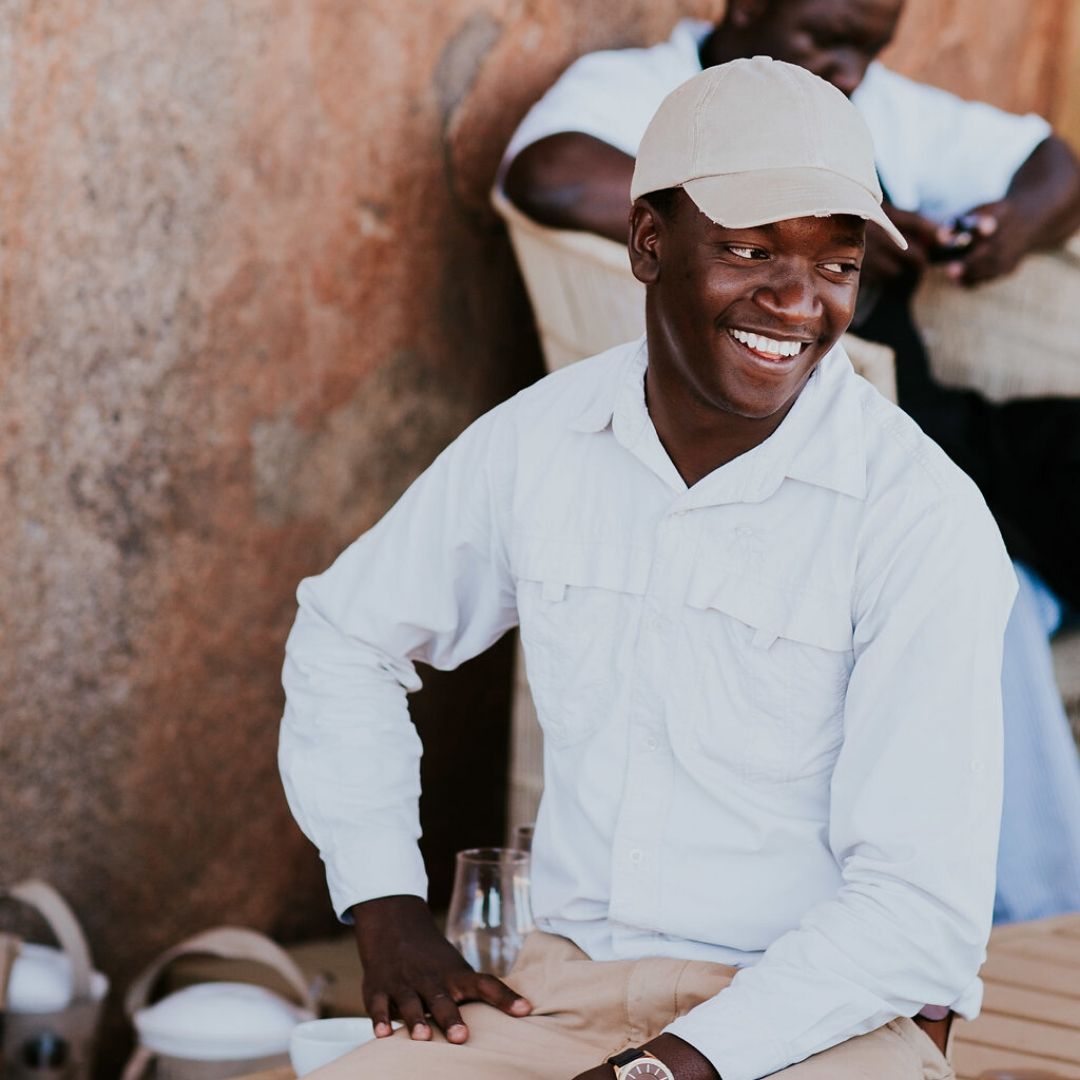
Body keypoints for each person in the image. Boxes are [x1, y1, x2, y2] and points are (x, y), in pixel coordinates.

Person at [280, 58, 1016, 1080]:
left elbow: (918, 907)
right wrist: (386, 906)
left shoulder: (918, 519)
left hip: (819, 1021)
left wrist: (670, 1067)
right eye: (752, 248)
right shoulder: (542, 443)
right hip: (562, 987)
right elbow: (347, 635)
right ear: (648, 242)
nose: (797, 300)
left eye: (837, 265)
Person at [501, 0, 1080, 926]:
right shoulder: (642, 89)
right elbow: (552, 173)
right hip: (785, 444)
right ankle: (1036, 924)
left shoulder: (876, 100)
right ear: (744, 6)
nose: (850, 69)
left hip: (921, 418)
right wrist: (802, 225)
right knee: (980, 587)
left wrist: (1005, 226)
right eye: (827, 40)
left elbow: (1052, 161)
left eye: (870, 47)